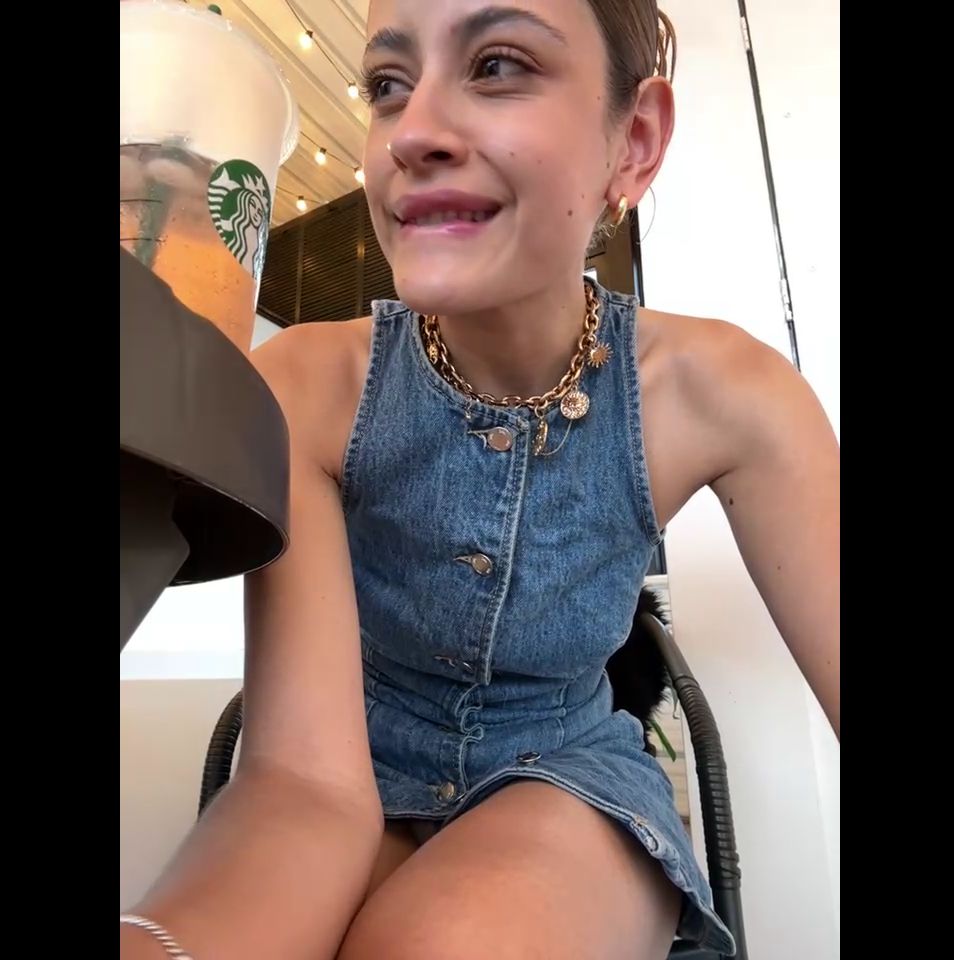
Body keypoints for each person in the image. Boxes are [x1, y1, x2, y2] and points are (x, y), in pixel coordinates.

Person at [120, 2, 839, 958]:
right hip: (348, 775)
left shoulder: (725, 392)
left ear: (632, 140)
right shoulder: (302, 386)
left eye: (499, 65)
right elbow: (303, 782)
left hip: (573, 781)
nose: (411, 132)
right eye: (387, 85)